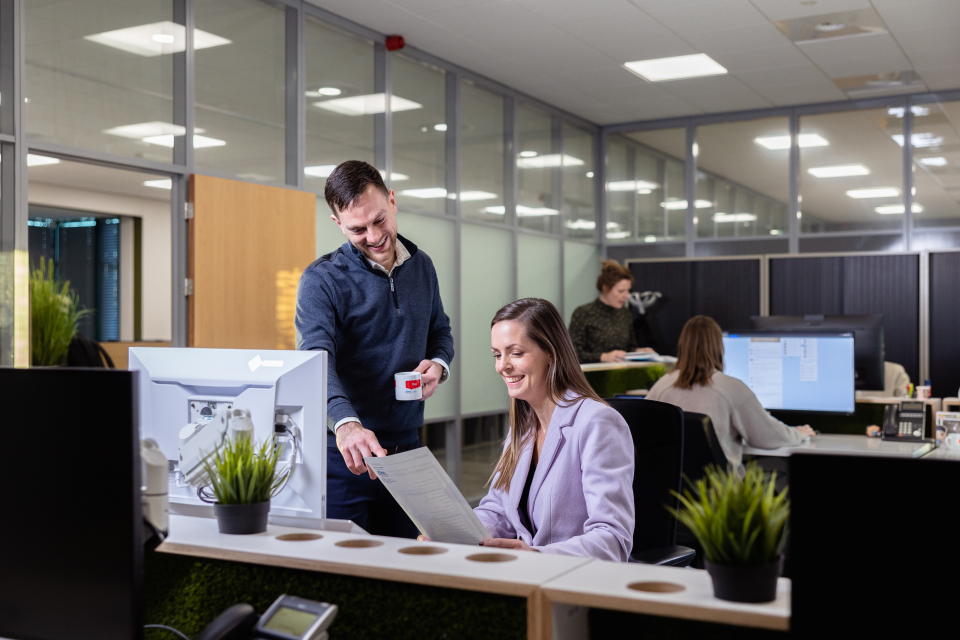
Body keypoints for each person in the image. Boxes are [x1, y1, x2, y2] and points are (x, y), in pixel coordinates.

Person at [295, 160, 454, 538]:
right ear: (337, 224)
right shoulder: (322, 280)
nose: (374, 236)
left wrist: (438, 363)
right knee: (344, 569)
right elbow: (316, 358)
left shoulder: (422, 266)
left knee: (408, 566)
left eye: (379, 220)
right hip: (346, 455)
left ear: (392, 201)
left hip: (408, 450)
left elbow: (440, 331)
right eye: (357, 229)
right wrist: (346, 424)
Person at [471, 298, 635, 560]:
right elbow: (498, 511)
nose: (502, 366)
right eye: (497, 354)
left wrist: (536, 555)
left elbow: (613, 539)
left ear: (550, 353)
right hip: (524, 576)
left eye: (516, 353)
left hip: (570, 582)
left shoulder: (598, 423)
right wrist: (451, 534)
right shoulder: (524, 425)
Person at [647, 315, 815, 472]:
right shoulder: (731, 388)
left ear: (682, 346)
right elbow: (768, 436)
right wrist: (797, 434)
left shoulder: (661, 387)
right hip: (721, 496)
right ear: (719, 347)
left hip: (673, 495)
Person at [568, 260, 653, 363]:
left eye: (628, 290)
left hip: (622, 373)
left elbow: (629, 348)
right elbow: (572, 353)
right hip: (593, 375)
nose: (626, 296)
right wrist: (602, 357)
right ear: (605, 289)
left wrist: (641, 352)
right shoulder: (583, 313)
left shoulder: (624, 313)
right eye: (621, 291)